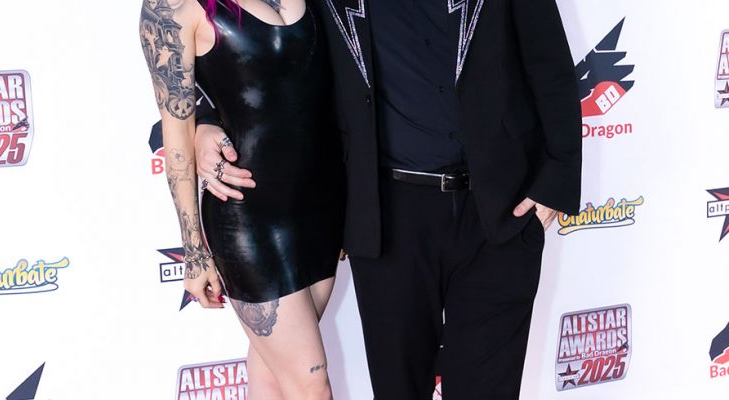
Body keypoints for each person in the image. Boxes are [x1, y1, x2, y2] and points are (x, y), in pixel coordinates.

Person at [196, 0, 583, 398]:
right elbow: (262, 48)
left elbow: (549, 61)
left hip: (500, 211)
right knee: (398, 388)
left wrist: (557, 177)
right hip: (388, 217)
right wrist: (204, 120)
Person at [139, 0, 345, 399]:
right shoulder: (172, 7)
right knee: (311, 385)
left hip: (322, 211)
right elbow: (177, 138)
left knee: (271, 376)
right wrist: (194, 252)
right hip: (250, 219)